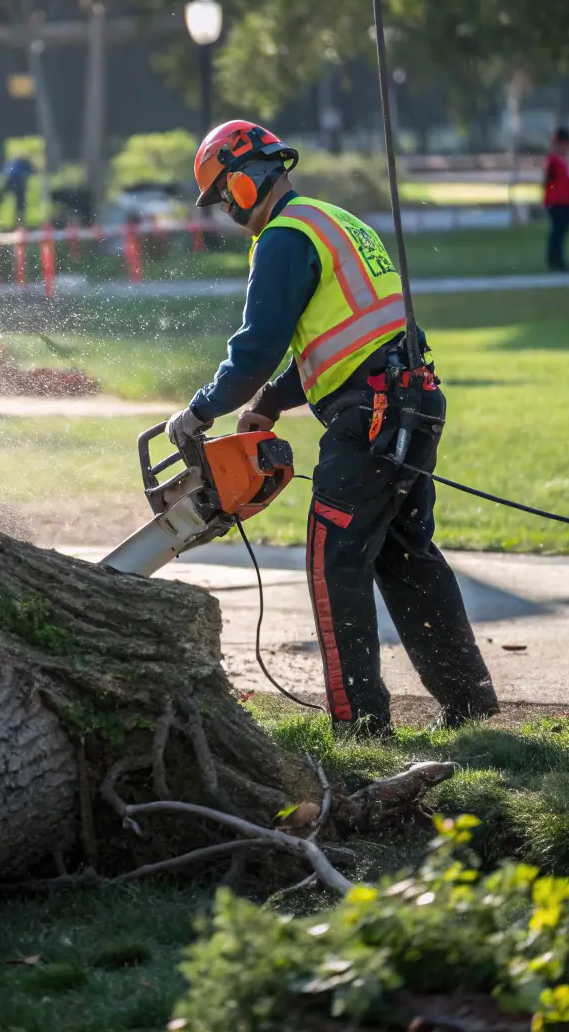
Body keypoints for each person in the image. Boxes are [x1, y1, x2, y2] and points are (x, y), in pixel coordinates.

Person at [166, 120, 498, 735]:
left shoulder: (284, 238)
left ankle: (359, 726)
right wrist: (270, 402)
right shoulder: (333, 221)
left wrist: (201, 410)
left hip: (370, 413)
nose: (229, 213)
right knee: (407, 556)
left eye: (225, 197)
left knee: (333, 558)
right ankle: (472, 710)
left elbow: (257, 347)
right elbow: (350, 336)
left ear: (246, 179)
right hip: (410, 401)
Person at [544, 127, 569, 273]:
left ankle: (558, 259)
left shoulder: (567, 160)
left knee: (562, 231)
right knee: (557, 231)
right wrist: (550, 198)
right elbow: (547, 182)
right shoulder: (553, 161)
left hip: (566, 200)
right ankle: (555, 260)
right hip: (557, 201)